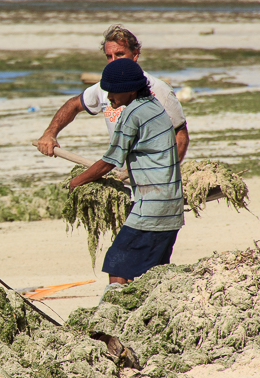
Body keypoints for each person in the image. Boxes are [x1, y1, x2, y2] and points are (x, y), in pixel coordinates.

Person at [68, 58, 184, 288]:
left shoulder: (132, 114)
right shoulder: (153, 106)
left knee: (117, 262)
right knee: (155, 274)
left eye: (113, 91)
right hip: (171, 206)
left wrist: (77, 181)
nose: (109, 96)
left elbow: (109, 161)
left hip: (152, 207)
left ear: (130, 90)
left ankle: (115, 314)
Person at [37, 24, 189, 164]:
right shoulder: (104, 88)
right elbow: (74, 105)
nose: (114, 61)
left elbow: (180, 135)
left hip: (152, 175)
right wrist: (50, 133)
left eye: (119, 54)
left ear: (135, 54)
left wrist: (167, 172)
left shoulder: (160, 89)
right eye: (109, 56)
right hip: (120, 172)